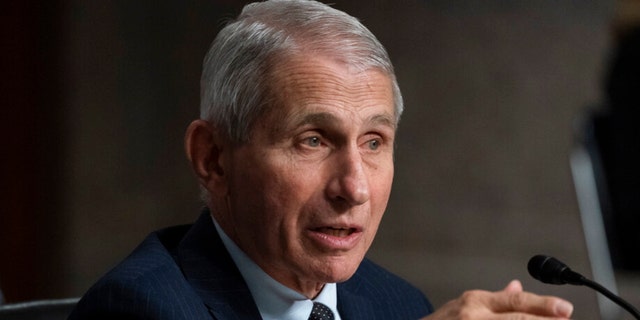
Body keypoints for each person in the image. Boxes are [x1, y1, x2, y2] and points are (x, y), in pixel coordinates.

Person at [69, 0, 574, 319]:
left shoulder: (398, 305)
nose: (353, 187)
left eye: (374, 142)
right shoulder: (139, 308)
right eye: (313, 140)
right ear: (214, 159)